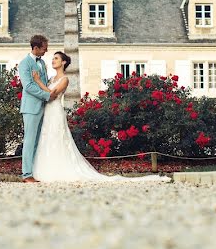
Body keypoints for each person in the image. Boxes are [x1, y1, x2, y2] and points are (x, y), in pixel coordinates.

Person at [30, 51, 170, 183]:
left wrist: (37, 81)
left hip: (55, 111)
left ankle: (59, 171)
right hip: (47, 111)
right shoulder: (51, 78)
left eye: (56, 58)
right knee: (46, 138)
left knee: (57, 138)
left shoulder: (64, 79)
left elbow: (52, 94)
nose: (53, 60)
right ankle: (46, 168)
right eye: (53, 58)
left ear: (64, 62)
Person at [17, 35, 56, 183]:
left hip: (42, 107)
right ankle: (26, 174)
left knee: (37, 141)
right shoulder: (25, 64)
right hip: (31, 108)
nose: (46, 51)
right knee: (29, 140)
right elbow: (28, 86)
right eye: (44, 48)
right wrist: (47, 95)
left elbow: (42, 82)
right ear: (36, 48)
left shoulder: (42, 63)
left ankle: (34, 171)